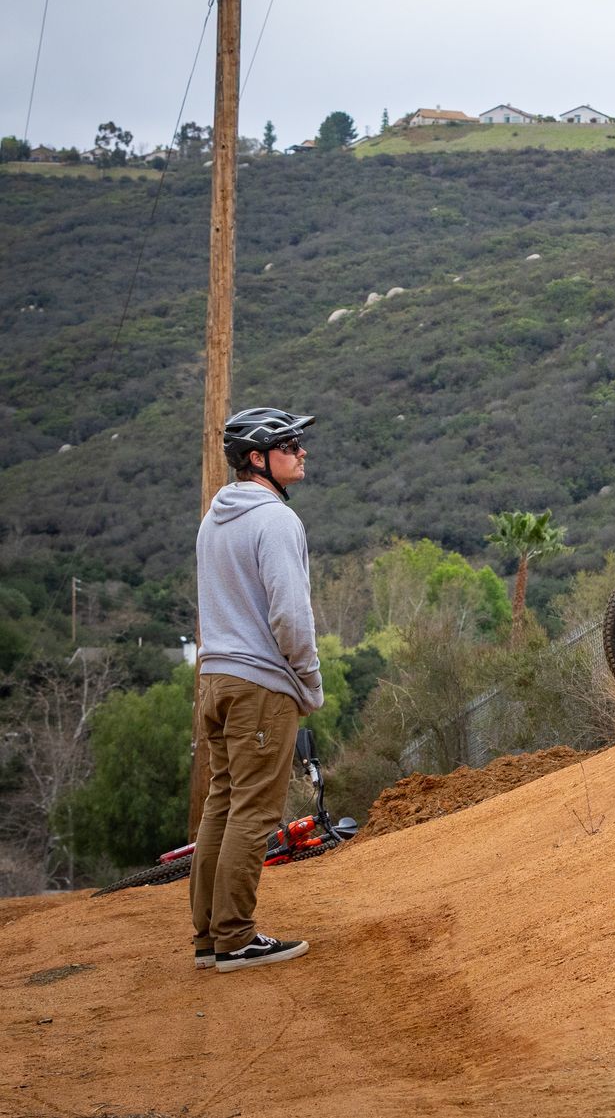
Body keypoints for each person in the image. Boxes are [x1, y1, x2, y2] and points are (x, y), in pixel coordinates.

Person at [192, 406, 326, 973]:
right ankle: (236, 937)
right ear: (257, 458)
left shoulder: (213, 519)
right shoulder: (275, 521)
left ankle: (208, 936)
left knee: (221, 803)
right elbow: (291, 617)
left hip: (213, 678)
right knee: (253, 810)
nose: (302, 452)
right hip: (258, 686)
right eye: (290, 444)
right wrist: (309, 681)